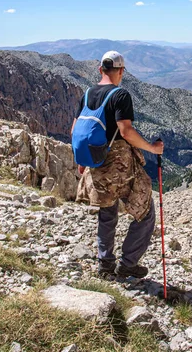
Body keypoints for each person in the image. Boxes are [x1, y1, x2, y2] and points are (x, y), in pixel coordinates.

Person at [73, 51, 164, 278]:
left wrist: (82, 161)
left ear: (100, 70)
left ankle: (105, 265)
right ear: (121, 71)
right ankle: (128, 264)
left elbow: (74, 131)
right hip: (120, 165)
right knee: (145, 212)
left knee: (107, 213)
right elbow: (126, 132)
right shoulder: (120, 95)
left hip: (96, 162)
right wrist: (152, 148)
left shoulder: (87, 94)